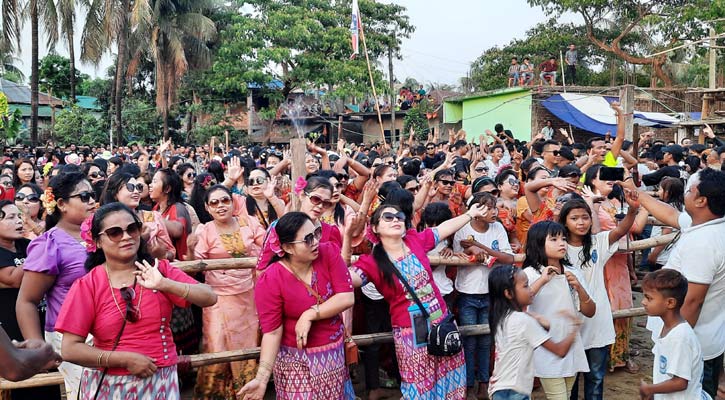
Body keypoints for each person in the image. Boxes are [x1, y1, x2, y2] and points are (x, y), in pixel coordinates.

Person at [54, 202, 217, 400]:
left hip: (160, 381)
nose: (126, 237)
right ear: (97, 241)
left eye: (133, 229)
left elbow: (209, 296)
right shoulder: (88, 285)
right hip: (109, 386)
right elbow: (70, 349)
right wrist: (125, 359)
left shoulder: (158, 270)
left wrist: (165, 284)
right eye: (115, 232)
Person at [348, 203, 489, 399]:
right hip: (410, 333)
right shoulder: (371, 262)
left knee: (451, 380)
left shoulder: (414, 240)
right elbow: (346, 281)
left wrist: (470, 214)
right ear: (374, 228)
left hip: (442, 322)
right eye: (388, 217)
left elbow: (443, 229)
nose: (396, 219)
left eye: (399, 216)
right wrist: (347, 237)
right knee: (419, 386)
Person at [239, 212, 355, 400]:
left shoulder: (329, 252)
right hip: (292, 359)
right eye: (308, 239)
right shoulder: (271, 279)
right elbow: (272, 332)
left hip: (331, 355)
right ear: (287, 247)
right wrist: (261, 378)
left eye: (316, 233)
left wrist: (310, 314)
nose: (316, 241)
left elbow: (346, 297)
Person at [630, 169, 725, 398]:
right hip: (705, 340)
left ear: (702, 200)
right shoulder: (706, 224)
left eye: (690, 190)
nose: (685, 194)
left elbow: (692, 301)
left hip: (689, 346)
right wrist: (638, 194)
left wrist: (670, 342)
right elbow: (672, 216)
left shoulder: (704, 242)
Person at [16, 172, 96, 399]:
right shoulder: (49, 244)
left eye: (92, 194)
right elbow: (26, 301)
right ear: (61, 204)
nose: (92, 200)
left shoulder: (101, 235)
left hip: (107, 331)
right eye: (84, 196)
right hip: (71, 336)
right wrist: (39, 348)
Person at [558, 195, 640, 400]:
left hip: (597, 320)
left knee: (596, 376)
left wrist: (632, 210)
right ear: (564, 222)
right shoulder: (558, 247)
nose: (581, 222)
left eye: (585, 217)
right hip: (569, 320)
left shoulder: (598, 242)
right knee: (571, 378)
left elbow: (621, 230)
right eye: (574, 218)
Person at [188, 185, 265, 399]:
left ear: (233, 202)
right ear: (207, 208)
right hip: (217, 299)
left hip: (247, 296)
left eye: (225, 201)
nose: (221, 206)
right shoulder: (205, 230)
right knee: (216, 345)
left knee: (246, 344)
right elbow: (195, 262)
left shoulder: (248, 222)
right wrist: (189, 248)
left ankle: (244, 393)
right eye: (214, 203)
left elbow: (268, 247)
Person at [522, 221, 595, 400]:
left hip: (571, 343)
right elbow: (519, 304)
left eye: (563, 238)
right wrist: (542, 280)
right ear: (538, 243)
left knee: (566, 395)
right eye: (553, 239)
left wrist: (579, 288)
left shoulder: (572, 272)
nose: (562, 243)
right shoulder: (530, 274)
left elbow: (590, 310)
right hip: (545, 345)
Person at [452, 192, 515, 398]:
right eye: (487, 208)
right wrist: (472, 251)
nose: (493, 212)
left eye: (494, 207)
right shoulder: (462, 228)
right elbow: (460, 253)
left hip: (490, 292)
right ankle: (469, 384)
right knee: (469, 341)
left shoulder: (497, 228)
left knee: (487, 341)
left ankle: (483, 383)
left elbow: (507, 258)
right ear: (476, 210)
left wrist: (480, 247)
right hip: (468, 292)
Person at [487, 265, 582, 400]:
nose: (531, 290)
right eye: (526, 286)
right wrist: (574, 328)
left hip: (499, 388)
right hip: (514, 392)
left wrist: (538, 320)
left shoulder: (503, 317)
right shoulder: (523, 321)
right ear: (508, 293)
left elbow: (538, 332)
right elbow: (560, 351)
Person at [0, 200, 61, 399]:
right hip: (12, 330)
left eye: (19, 216)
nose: (18, 221)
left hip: (40, 323)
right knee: (24, 386)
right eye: (10, 218)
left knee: (48, 384)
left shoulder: (27, 245)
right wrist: (42, 257)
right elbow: (13, 279)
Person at [639, 269, 710, 400]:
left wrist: (650, 389)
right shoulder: (668, 329)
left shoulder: (680, 337)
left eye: (649, 298)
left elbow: (680, 382)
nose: (643, 302)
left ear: (670, 303)